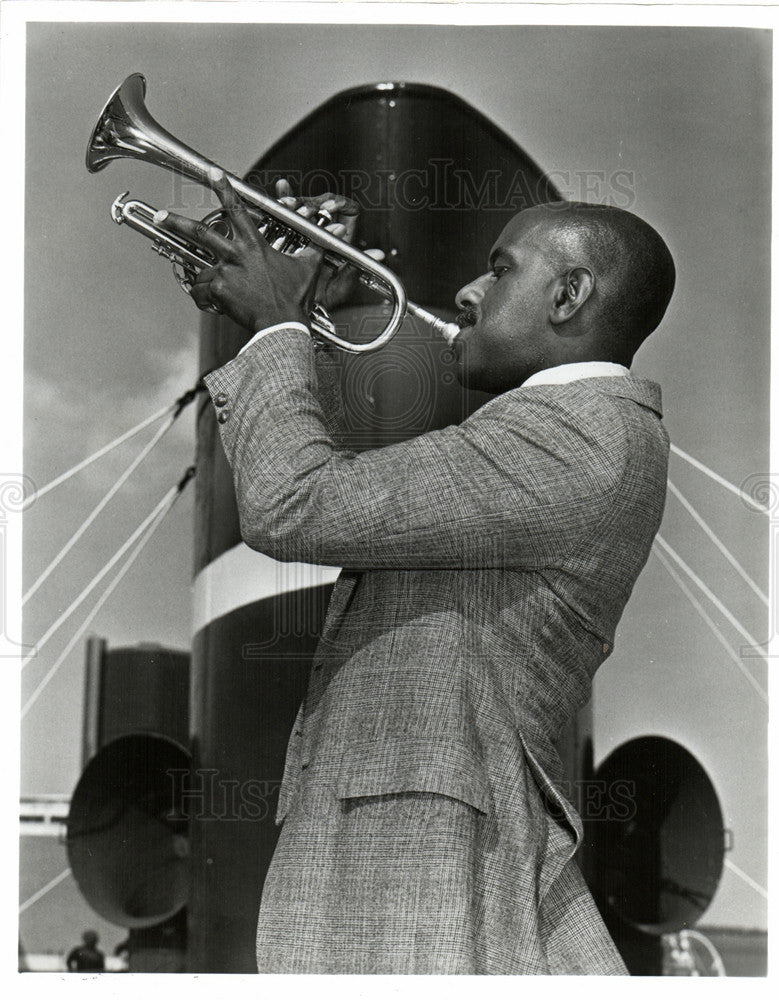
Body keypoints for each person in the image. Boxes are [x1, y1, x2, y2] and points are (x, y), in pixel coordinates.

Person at [158, 171, 675, 974]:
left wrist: (274, 324)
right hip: (415, 840)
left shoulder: (577, 438)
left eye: (501, 269)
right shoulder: (557, 435)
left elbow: (294, 502)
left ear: (569, 295)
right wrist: (307, 316)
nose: (468, 291)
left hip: (419, 849)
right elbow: (360, 497)